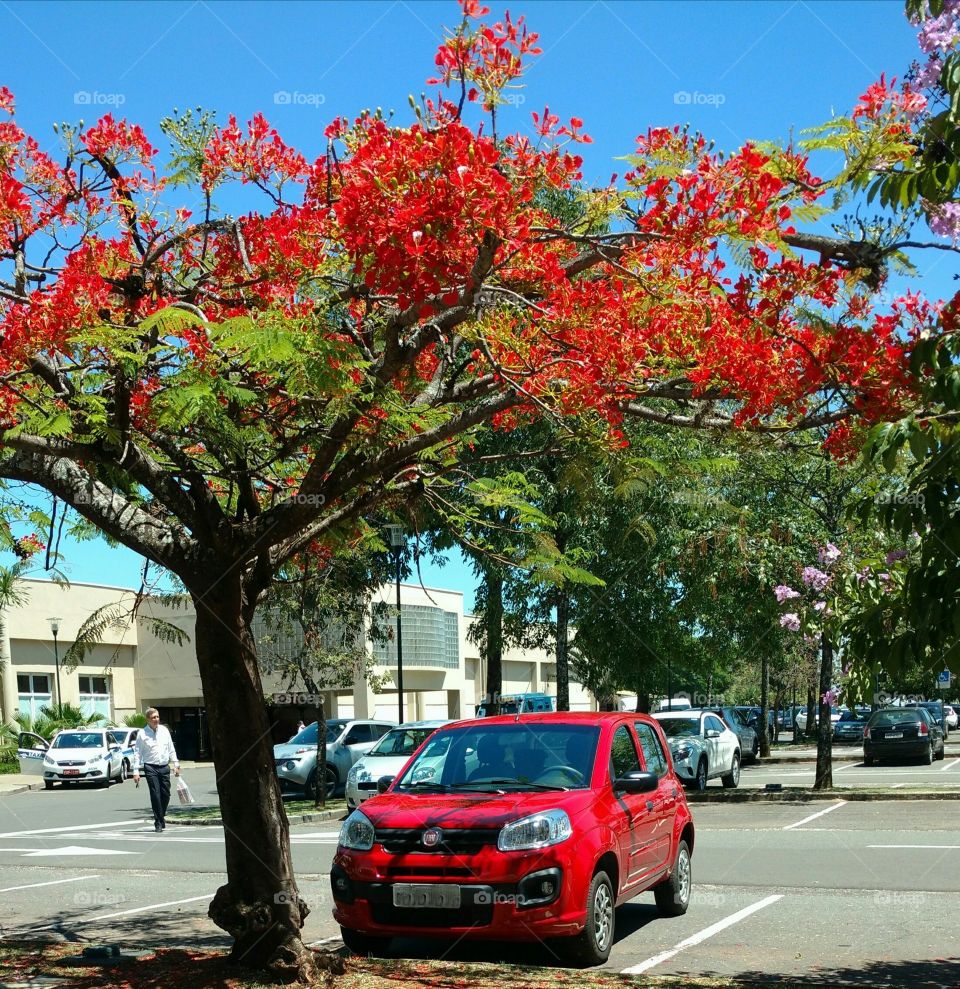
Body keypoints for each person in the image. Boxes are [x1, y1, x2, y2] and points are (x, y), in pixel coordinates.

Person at [132, 708, 180, 832]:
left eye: (157, 717)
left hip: (164, 766)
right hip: (150, 767)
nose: (156, 719)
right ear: (148, 719)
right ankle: (158, 822)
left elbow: (171, 748)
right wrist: (136, 771)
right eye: (153, 717)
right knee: (155, 794)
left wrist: (176, 763)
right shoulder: (142, 734)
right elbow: (137, 753)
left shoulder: (164, 731)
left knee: (166, 794)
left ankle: (161, 815)